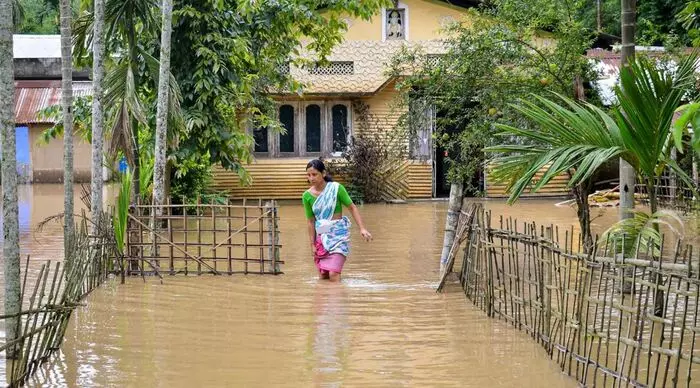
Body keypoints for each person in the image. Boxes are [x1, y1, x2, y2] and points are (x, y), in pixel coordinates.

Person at [302, 159, 372, 281]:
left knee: (333, 274)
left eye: (314, 174)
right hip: (321, 239)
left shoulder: (336, 188)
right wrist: (312, 245)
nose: (311, 178)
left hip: (338, 237)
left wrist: (362, 228)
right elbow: (310, 221)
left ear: (323, 174)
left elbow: (352, 207)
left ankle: (337, 298)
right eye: (308, 175)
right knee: (323, 276)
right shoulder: (306, 196)